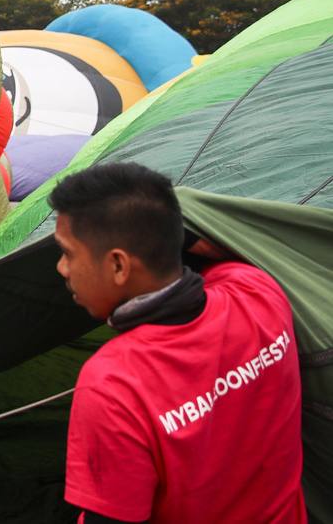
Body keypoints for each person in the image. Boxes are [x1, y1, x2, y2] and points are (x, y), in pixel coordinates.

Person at [51, 162, 305, 523]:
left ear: (120, 267)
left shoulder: (113, 386)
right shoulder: (257, 291)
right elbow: (216, 245)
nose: (61, 268)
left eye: (67, 253)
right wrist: (162, 229)